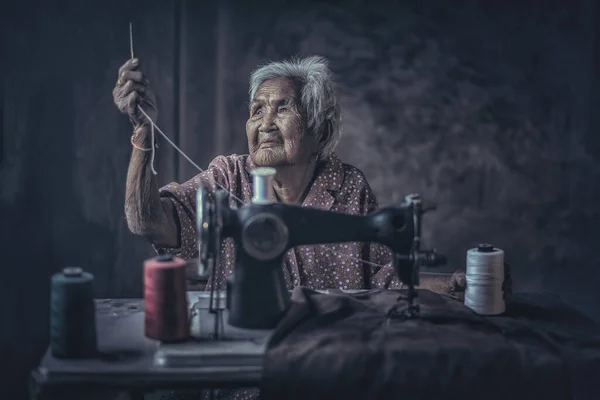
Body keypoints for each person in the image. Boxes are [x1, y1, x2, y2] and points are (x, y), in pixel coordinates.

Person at [113, 55, 466, 400]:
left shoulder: (348, 186)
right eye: (256, 111)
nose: (265, 123)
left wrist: (451, 285)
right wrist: (144, 131)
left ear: (320, 130)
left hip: (329, 373)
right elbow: (146, 221)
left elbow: (383, 279)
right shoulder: (226, 179)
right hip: (241, 376)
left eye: (283, 109)